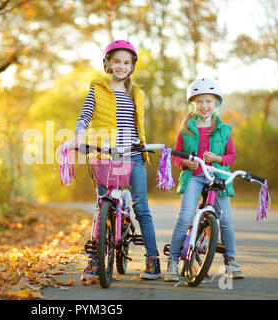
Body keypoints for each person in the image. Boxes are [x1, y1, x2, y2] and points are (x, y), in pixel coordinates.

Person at [71, 40, 161, 281]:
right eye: (117, 61)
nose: (121, 66)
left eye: (126, 62)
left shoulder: (137, 93)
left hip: (132, 153)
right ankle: (94, 261)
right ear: (108, 63)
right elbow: (85, 116)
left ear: (132, 66)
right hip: (105, 153)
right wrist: (79, 135)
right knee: (102, 204)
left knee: (141, 206)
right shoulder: (97, 89)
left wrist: (143, 145)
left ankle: (153, 261)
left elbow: (137, 126)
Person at [164, 77, 244, 282]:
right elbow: (176, 155)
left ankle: (231, 261)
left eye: (208, 101)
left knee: (225, 220)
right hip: (195, 176)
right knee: (185, 218)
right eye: (199, 101)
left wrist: (217, 159)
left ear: (216, 103)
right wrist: (185, 164)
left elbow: (232, 156)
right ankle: (172, 262)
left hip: (217, 178)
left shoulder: (224, 129)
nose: (204, 106)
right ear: (192, 103)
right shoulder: (186, 128)